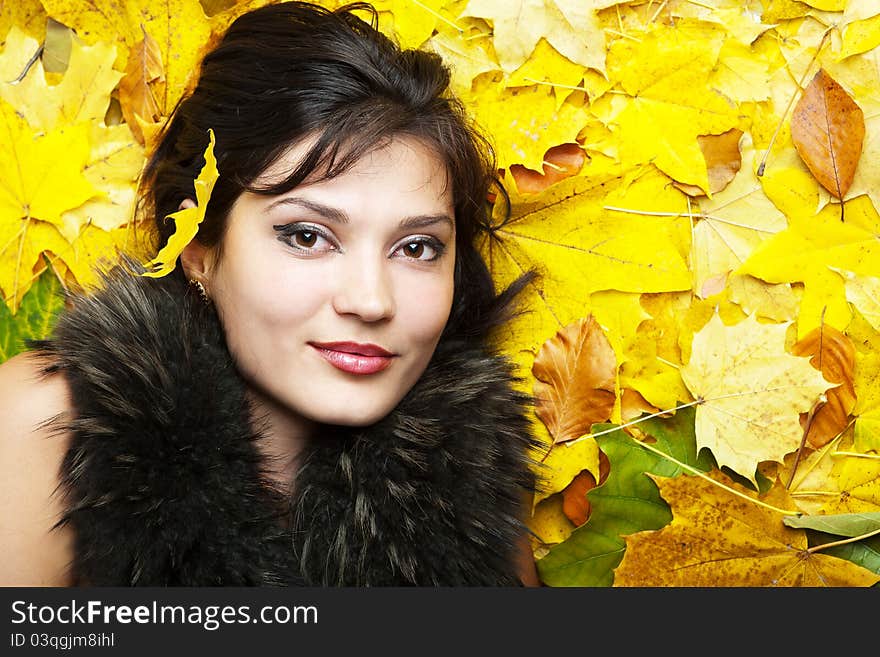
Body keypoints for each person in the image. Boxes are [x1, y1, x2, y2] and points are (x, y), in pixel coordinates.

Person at [0, 1, 542, 586]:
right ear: (198, 249)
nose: (371, 301)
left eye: (416, 248)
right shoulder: (56, 426)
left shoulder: (467, 473)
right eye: (308, 236)